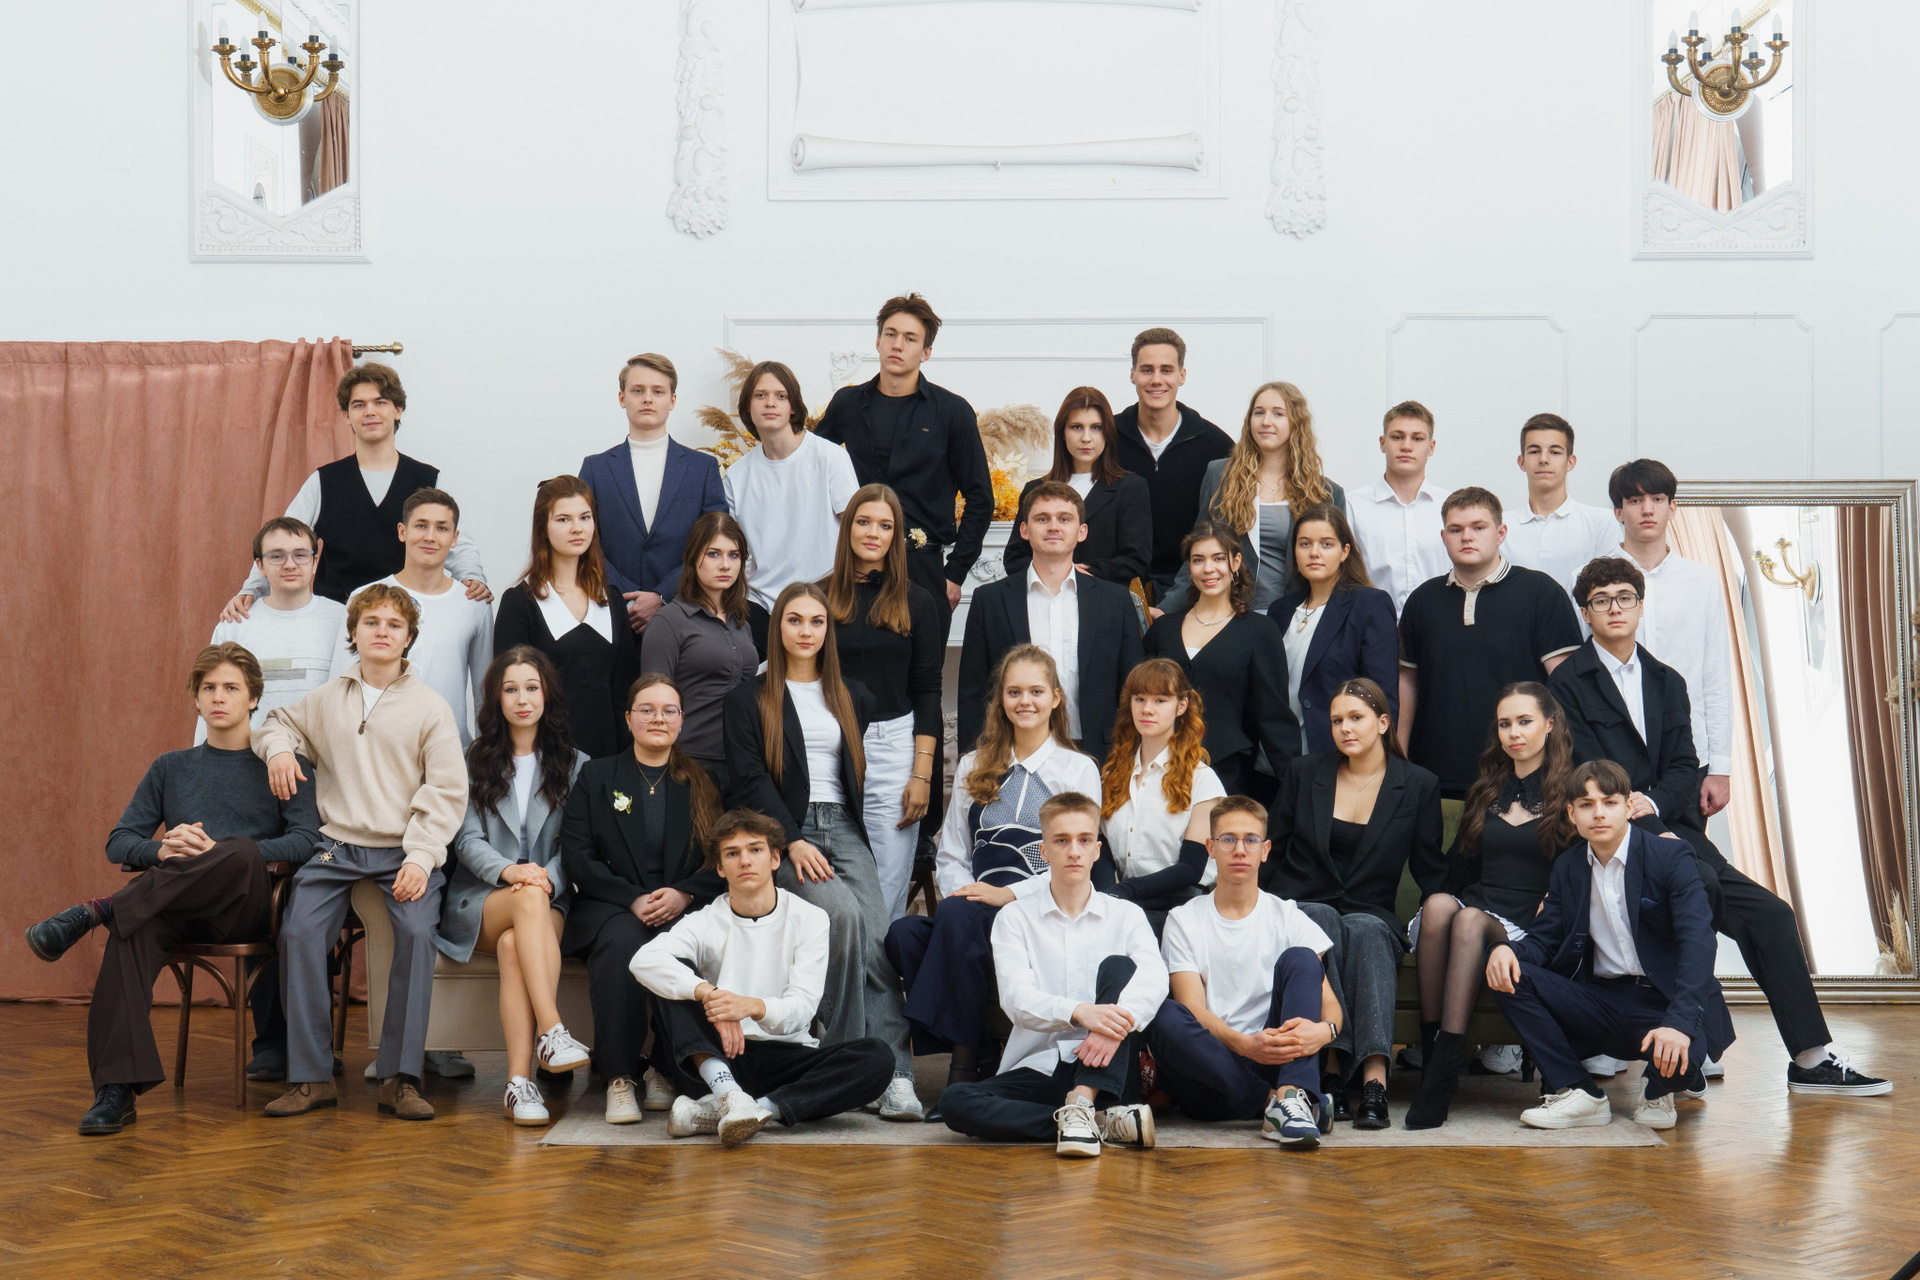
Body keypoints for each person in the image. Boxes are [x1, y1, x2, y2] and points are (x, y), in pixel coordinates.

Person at [1550, 556, 1889, 1096]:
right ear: (1585, 613)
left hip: (1672, 826)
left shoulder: (1668, 680)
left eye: (1625, 597)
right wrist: (1637, 817)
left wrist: (1652, 808)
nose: (1615, 608)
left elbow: (1687, 765)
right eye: (1601, 600)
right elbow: (1584, 770)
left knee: (1772, 915)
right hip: (1606, 831)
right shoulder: (1567, 683)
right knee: (1697, 888)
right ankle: (1691, 1032)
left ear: (1640, 606)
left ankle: (1809, 1059)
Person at [24, 643, 320, 1135]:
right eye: (209, 688)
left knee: (239, 851)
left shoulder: (282, 762)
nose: (218, 697)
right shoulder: (170, 767)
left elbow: (307, 839)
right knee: (131, 933)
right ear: (196, 699)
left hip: (247, 905)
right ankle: (115, 1091)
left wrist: (221, 851)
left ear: (253, 699)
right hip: (175, 905)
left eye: (231, 688)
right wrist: (162, 850)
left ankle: (100, 909)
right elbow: (120, 841)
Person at [256, 583, 469, 1120]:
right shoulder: (327, 698)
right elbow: (276, 723)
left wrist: (422, 856)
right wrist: (280, 751)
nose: (382, 632)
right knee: (298, 932)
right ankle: (311, 1078)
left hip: (405, 850)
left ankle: (400, 1078)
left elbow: (447, 791)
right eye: (371, 622)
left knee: (417, 934)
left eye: (394, 625)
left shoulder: (431, 707)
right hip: (338, 846)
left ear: (408, 638)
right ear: (353, 632)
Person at [722, 582, 920, 1120]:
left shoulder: (851, 695)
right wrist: (792, 839)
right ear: (777, 628)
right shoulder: (747, 698)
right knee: (842, 916)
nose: (806, 631)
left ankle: (897, 1076)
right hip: (786, 831)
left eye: (816, 621)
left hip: (845, 828)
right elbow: (748, 777)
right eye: (795, 620)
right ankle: (850, 1066)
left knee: (879, 940)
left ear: (828, 630)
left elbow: (855, 777)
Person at [885, 646, 1102, 1094]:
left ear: (1056, 698)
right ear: (1001, 699)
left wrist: (1009, 896)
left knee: (955, 917)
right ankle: (981, 1049)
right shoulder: (974, 764)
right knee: (903, 935)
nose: (1025, 701)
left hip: (1038, 907)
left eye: (1036, 691)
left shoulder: (1077, 768)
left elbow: (1078, 860)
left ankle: (962, 1067)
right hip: (973, 904)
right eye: (1014, 692)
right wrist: (965, 891)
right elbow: (951, 853)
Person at [1486, 762, 1736, 1131]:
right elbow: (1544, 939)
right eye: (1586, 805)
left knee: (1678, 1065)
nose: (1599, 813)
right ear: (1571, 814)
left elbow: (1697, 942)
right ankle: (1581, 1092)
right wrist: (1506, 949)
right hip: (1603, 999)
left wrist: (1679, 1024)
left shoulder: (1671, 857)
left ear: (1628, 806)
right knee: (1510, 973)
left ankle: (1664, 1086)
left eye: (1609, 802)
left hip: (1666, 1002)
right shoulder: (1569, 866)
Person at [630, 810, 897, 1146]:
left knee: (878, 1058)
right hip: (717, 1056)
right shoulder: (705, 920)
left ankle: (754, 1110)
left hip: (785, 1057)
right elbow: (643, 960)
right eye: (732, 853)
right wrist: (708, 993)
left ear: (774, 859)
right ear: (720, 868)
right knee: (673, 979)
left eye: (755, 849)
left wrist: (751, 1007)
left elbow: (802, 1008)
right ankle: (728, 1093)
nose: (745, 860)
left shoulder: (810, 918)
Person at [938, 792, 1165, 1157]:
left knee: (1120, 968)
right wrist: (1080, 1012)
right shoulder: (1015, 918)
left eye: (1084, 840)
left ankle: (1084, 1098)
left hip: (1109, 1066)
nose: (1074, 851)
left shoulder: (1126, 915)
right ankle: (1097, 1121)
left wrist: (1108, 1027)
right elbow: (1016, 999)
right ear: (1043, 851)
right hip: (1040, 1066)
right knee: (956, 1102)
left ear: (1097, 850)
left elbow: (1155, 978)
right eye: (1061, 841)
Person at [1264, 678, 1444, 1130]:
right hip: (1305, 903)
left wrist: (1465, 906)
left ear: (1383, 722)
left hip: (1372, 910)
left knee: (1365, 928)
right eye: (1337, 720)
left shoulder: (1417, 784)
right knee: (1320, 917)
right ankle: (1329, 1070)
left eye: (1356, 718)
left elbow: (1431, 869)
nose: (1345, 728)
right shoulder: (1305, 772)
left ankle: (1373, 1081)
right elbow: (1273, 849)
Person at [1402, 683, 1576, 1129]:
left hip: (1527, 922)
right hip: (1479, 905)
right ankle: (1434, 1059)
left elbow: (1581, 866)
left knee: (1467, 920)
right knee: (1440, 906)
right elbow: (1459, 866)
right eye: (1505, 724)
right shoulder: (1487, 788)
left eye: (1525, 721)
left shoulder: (1570, 792)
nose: (1514, 733)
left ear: (1549, 724)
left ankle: (1444, 1069)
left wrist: (1557, 902)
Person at [560, 674, 727, 1125]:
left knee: (684, 947)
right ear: (629, 718)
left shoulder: (704, 782)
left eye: (669, 710)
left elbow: (719, 858)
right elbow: (577, 856)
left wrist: (684, 892)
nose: (658, 718)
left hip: (683, 905)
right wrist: (632, 898)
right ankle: (619, 1077)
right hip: (613, 904)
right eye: (647, 710)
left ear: (682, 720)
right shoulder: (596, 776)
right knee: (622, 946)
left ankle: (664, 1068)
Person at [435, 648, 592, 1126]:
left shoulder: (576, 764)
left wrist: (545, 878)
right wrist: (512, 872)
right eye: (510, 689)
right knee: (525, 901)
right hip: (484, 897)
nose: (522, 699)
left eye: (531, 687)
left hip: (550, 896)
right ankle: (553, 1029)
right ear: (496, 699)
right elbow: (466, 840)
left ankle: (518, 1085)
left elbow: (577, 844)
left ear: (547, 695)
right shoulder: (472, 760)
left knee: (512, 947)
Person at [1145, 795, 1343, 1147]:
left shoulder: (1288, 916)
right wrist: (1246, 1046)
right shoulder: (1183, 919)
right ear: (1210, 848)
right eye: (1228, 839)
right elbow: (1192, 1008)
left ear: (1265, 850)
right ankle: (1279, 1105)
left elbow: (1331, 1007)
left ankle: (1291, 1094)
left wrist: (1324, 1032)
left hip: (1275, 1060)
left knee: (1301, 958)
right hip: (1211, 1076)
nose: (1239, 850)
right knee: (1164, 1015)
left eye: (1250, 840)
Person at [220, 362, 489, 618]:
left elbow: (457, 543)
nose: (370, 411)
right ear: (347, 416)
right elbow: (281, 541)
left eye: (380, 402)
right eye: (359, 405)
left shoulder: (428, 478)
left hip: (407, 618)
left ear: (398, 410)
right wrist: (252, 590)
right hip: (337, 620)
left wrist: (473, 578)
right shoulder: (324, 481)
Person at [814, 294, 994, 642]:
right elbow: (812, 470)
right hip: (855, 566)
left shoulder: (952, 412)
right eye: (891, 334)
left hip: (924, 568)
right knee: (847, 669)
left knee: (923, 672)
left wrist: (955, 573)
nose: (897, 345)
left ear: (926, 352)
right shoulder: (847, 404)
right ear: (877, 340)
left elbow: (980, 498)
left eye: (910, 338)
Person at [1396, 486, 1582, 808]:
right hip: (1434, 775)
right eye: (1456, 529)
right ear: (1443, 537)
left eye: (1479, 527)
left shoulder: (1541, 593)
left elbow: (1567, 687)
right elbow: (1406, 684)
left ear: (1501, 533)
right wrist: (1399, 757)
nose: (1467, 537)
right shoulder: (1422, 601)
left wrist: (1562, 765)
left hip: (1522, 775)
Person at [825, 484, 943, 920]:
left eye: (885, 525)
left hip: (893, 745)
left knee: (888, 885)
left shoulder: (918, 601)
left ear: (896, 535)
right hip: (829, 744)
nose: (873, 533)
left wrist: (922, 774)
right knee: (831, 885)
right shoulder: (817, 597)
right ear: (848, 527)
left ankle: (881, 965)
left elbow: (928, 689)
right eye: (863, 521)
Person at [958, 482, 1144, 758]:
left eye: (1064, 519)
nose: (1053, 526)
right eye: (1042, 519)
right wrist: (975, 760)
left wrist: (1133, 757)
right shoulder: (990, 601)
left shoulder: (1116, 601)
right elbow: (973, 692)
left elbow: (1133, 688)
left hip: (1097, 753)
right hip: (1013, 751)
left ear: (1082, 531)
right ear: (1024, 530)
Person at [1608, 459, 1732, 839]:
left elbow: (1715, 675)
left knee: (1686, 862)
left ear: (1672, 507)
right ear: (1618, 511)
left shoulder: (1702, 581)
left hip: (1687, 754)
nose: (1647, 509)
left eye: (1658, 499)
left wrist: (1720, 767)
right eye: (1635, 500)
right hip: (1612, 752)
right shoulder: (1591, 579)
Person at [1143, 525, 1298, 805]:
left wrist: (1296, 792)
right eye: (1198, 559)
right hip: (1159, 771)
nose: (1208, 569)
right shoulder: (1162, 630)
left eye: (1218, 558)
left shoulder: (1260, 631)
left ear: (1235, 562)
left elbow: (1273, 716)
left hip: (1227, 774)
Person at [331, 487, 493, 750]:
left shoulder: (474, 604)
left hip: (450, 751)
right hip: (378, 751)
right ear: (402, 531)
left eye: (442, 528)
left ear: (455, 538)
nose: (430, 536)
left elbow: (484, 694)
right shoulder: (364, 597)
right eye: (421, 525)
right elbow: (341, 684)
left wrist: (486, 758)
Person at [579, 353, 729, 636]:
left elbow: (714, 542)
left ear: (672, 400)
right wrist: (626, 597)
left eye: (658, 391)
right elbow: (584, 541)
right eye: (638, 391)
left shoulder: (702, 468)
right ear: (622, 398)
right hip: (612, 615)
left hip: (685, 616)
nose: (647, 399)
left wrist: (662, 595)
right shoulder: (595, 468)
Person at [492, 476, 639, 760]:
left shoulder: (611, 599)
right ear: (542, 528)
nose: (577, 528)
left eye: (585, 517)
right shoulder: (520, 603)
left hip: (608, 758)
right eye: (563, 519)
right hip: (545, 759)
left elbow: (626, 690)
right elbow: (508, 692)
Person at [722, 360, 862, 657]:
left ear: (794, 407)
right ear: (747, 408)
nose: (770, 403)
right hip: (759, 604)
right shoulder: (737, 475)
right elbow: (733, 551)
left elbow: (856, 532)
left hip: (824, 597)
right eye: (760, 395)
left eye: (780, 396)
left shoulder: (830, 458)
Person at [1173, 380, 1346, 611]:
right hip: (1232, 613)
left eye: (1278, 414)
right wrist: (1166, 609)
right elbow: (1198, 548)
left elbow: (1338, 570)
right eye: (1259, 412)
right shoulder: (1220, 476)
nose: (1266, 421)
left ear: (1296, 422)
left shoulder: (1325, 494)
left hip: (1298, 615)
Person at [1098, 659, 1225, 933]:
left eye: (1160, 700)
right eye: (1139, 698)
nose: (1147, 709)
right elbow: (1100, 850)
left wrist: (1124, 891)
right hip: (1123, 906)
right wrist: (1109, 899)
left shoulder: (1202, 780)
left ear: (1181, 705)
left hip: (1181, 911)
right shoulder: (1111, 776)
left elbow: (1192, 867)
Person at [1110, 327, 1235, 605]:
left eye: (1166, 370)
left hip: (1194, 587)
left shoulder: (1217, 446)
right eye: (1147, 370)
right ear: (1132, 374)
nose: (1156, 379)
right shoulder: (1105, 438)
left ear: (1182, 375)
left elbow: (1227, 529)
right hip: (1116, 584)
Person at [1267, 503, 1400, 755]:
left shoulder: (1369, 605)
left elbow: (1382, 697)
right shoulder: (1280, 611)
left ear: (1344, 551)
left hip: (1340, 755)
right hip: (1278, 757)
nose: (1314, 553)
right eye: (1304, 544)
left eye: (1326, 544)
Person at [200, 518, 347, 743]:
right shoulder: (234, 625)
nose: (290, 565)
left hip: (324, 760)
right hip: (250, 759)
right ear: (260, 566)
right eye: (277, 556)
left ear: (315, 562)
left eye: (300, 555)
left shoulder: (344, 621)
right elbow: (211, 701)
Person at [638, 511, 757, 789]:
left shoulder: (742, 623)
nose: (725, 564)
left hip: (743, 762)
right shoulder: (669, 621)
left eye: (734, 555)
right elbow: (652, 702)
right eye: (713, 554)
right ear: (693, 557)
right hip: (688, 763)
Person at [1001, 386, 1152, 591]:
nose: (1086, 438)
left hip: (1104, 598)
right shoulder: (1035, 489)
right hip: (1043, 596)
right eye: (1076, 427)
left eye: (1096, 427)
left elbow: (1137, 561)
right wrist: (1055, 573)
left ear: (1107, 433)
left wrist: (1079, 574)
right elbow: (1014, 557)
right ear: (1063, 433)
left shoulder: (1130, 488)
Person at [1500, 413, 1621, 601]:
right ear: (1521, 462)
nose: (1543, 459)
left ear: (1570, 462)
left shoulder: (1601, 522)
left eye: (1555, 452)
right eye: (1534, 451)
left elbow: (1610, 593)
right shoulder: (1499, 526)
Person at [1345, 401, 1449, 617]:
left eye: (1417, 438)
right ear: (1382, 443)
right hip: (1371, 624)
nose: (1406, 446)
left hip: (1438, 624)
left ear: (1431, 447)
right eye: (1397, 437)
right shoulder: (1354, 505)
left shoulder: (1449, 505)